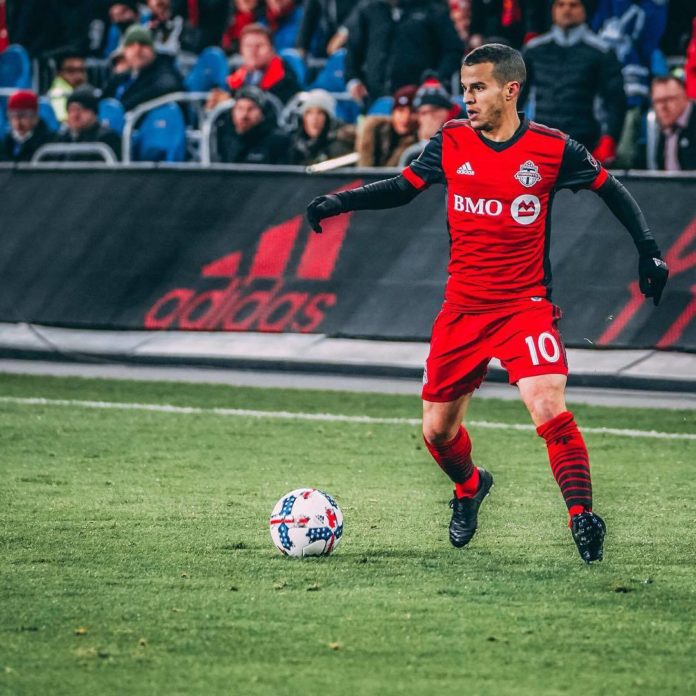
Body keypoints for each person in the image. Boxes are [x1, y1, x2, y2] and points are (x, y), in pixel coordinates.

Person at [306, 43, 669, 563]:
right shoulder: (451, 139)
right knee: (437, 432)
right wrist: (340, 201)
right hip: (462, 309)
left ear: (510, 89)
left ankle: (582, 516)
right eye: (465, 88)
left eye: (478, 88)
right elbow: (405, 187)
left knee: (548, 406)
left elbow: (611, 189)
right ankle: (470, 487)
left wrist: (648, 251)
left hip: (525, 306)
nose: (468, 98)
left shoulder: (552, 149)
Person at [523, 0, 626, 164]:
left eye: (573, 5)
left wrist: (610, 138)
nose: (567, 10)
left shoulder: (602, 52)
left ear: (584, 10)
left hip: (586, 145)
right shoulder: (533, 51)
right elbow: (516, 98)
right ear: (553, 10)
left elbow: (616, 101)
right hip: (540, 144)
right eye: (561, 5)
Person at [344, 0, 463, 105]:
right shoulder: (368, 9)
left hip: (418, 99)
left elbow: (453, 49)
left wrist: (437, 78)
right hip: (374, 98)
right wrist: (353, 79)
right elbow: (353, 48)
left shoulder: (432, 9)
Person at [102, 25, 184, 112]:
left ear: (153, 50)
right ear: (124, 51)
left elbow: (168, 87)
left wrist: (123, 108)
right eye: (131, 45)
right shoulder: (126, 75)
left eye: (143, 44)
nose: (137, 50)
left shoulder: (164, 72)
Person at [224, 23, 301, 104]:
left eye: (259, 46)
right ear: (241, 50)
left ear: (272, 49)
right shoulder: (234, 78)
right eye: (248, 46)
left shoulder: (286, 79)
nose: (253, 51)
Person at [215, 85, 290, 163]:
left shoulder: (278, 141)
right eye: (240, 108)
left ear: (262, 113)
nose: (244, 115)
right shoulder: (223, 137)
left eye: (251, 109)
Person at [398, 80, 463, 165]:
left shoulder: (464, 132)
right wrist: (425, 141)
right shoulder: (406, 140)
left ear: (447, 112)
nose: (429, 117)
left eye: (435, 111)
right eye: (423, 113)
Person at [287, 89, 355, 166]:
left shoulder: (339, 147)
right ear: (303, 118)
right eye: (309, 113)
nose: (314, 118)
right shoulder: (294, 147)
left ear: (328, 119)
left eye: (320, 113)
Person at [357, 84, 418, 167]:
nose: (405, 118)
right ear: (393, 113)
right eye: (400, 111)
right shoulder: (376, 130)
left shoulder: (420, 145)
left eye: (412, 112)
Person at [644, 75, 696, 170]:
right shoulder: (661, 127)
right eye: (657, 101)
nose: (663, 107)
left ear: (685, 97)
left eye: (669, 99)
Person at [56, 87, 122, 160]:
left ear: (93, 113)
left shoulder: (107, 138)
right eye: (71, 110)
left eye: (80, 109)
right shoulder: (64, 138)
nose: (75, 115)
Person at [0, 90, 55, 162]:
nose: (18, 121)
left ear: (35, 117)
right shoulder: (6, 142)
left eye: (23, 115)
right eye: (13, 116)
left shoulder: (48, 142)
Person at [48, 50, 89, 123]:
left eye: (81, 70)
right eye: (71, 71)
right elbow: (64, 121)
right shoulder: (57, 94)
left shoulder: (85, 90)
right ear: (59, 73)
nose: (78, 76)